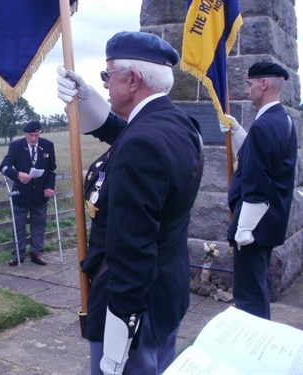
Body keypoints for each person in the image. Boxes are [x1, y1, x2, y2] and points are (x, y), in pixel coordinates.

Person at [57, 31, 203, 374]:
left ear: (133, 79)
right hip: (165, 291)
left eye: (107, 76)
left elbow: (131, 251)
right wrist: (87, 98)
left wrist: (118, 335)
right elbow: (124, 134)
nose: (105, 84)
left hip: (134, 306)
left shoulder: (142, 145)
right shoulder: (180, 124)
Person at [219, 62, 297, 320]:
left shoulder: (265, 125)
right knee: (257, 288)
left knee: (249, 297)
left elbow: (256, 182)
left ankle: (253, 348)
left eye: (249, 83)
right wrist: (238, 131)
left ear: (263, 84)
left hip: (254, 228)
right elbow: (260, 158)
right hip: (269, 224)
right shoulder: (282, 120)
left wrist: (244, 228)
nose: (247, 88)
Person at [0, 121, 57, 266]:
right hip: (21, 194)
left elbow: (52, 170)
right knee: (19, 226)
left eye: (36, 135)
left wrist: (50, 187)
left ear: (40, 133)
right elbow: (4, 167)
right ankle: (18, 254)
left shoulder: (48, 145)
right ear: (25, 134)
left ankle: (36, 253)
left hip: (40, 195)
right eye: (30, 135)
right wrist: (17, 175)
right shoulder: (16, 146)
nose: (33, 139)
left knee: (39, 224)